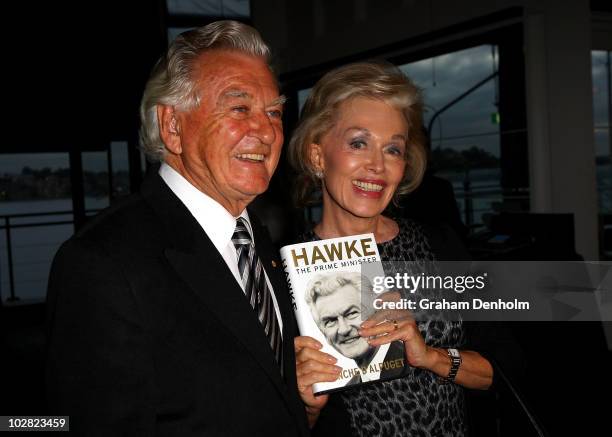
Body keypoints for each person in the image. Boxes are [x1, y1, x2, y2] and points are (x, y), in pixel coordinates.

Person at [45, 21, 308, 436]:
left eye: (274, 112)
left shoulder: (255, 233)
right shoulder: (102, 264)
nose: (267, 130)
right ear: (172, 126)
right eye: (239, 108)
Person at [287, 61, 496, 436]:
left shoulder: (439, 245)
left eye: (393, 149)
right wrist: (307, 404)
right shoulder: (282, 277)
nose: (377, 166)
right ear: (318, 156)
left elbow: (497, 371)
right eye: (358, 143)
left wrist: (430, 357)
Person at [304, 272, 406, 386]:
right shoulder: (349, 387)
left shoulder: (411, 363)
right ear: (322, 332)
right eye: (330, 321)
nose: (343, 329)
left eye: (352, 313)